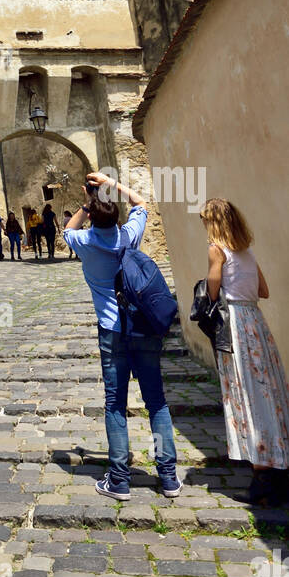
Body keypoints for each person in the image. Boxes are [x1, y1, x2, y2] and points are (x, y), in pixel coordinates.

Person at [64, 172, 181, 501]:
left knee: (115, 405)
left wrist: (88, 204)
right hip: (143, 328)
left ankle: (119, 479)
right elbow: (141, 203)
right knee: (156, 402)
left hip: (111, 332)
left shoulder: (85, 243)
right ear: (115, 214)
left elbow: (67, 230)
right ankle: (168, 476)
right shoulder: (129, 235)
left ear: (92, 214)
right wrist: (110, 185)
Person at [201, 197, 289, 507]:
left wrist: (215, 293)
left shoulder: (217, 250)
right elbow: (263, 291)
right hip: (257, 324)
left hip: (236, 325)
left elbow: (212, 290)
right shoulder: (247, 253)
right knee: (268, 392)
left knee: (246, 394)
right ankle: (277, 469)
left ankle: (262, 478)